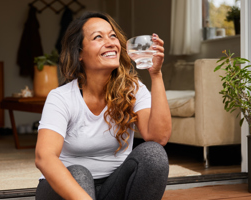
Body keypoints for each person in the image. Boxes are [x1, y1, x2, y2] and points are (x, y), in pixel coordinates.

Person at [35, 11, 172, 200]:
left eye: (113, 35)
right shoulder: (61, 98)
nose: (111, 43)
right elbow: (44, 157)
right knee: (79, 174)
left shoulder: (132, 89)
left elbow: (158, 137)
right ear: (79, 53)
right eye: (98, 37)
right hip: (65, 190)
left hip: (112, 187)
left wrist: (156, 75)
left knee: (154, 154)